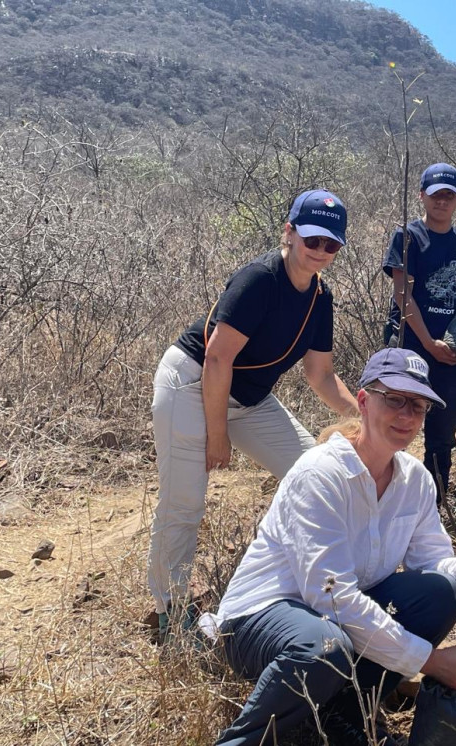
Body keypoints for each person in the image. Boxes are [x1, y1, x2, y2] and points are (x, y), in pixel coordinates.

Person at [198, 347, 456, 746]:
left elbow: (432, 565)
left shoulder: (414, 480)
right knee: (324, 646)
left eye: (418, 406)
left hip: (331, 625)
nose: (406, 415)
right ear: (363, 400)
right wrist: (430, 661)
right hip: (259, 621)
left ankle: (340, 715)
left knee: (440, 594)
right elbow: (331, 597)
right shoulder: (321, 473)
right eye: (394, 399)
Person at [148, 189, 359, 638]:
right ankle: (172, 612)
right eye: (312, 239)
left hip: (248, 398)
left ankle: (303, 581)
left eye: (331, 244)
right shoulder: (260, 279)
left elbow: (321, 375)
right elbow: (217, 358)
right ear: (289, 232)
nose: (320, 250)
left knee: (313, 471)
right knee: (185, 502)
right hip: (192, 383)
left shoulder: (320, 298)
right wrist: (217, 435)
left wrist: (366, 417)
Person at [382, 163, 456, 500]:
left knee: (442, 435)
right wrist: (429, 344)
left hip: (452, 355)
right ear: (422, 195)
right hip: (411, 346)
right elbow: (402, 295)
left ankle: (434, 503)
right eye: (435, 194)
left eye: (449, 195)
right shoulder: (408, 237)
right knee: (393, 426)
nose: (442, 201)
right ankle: (385, 496)